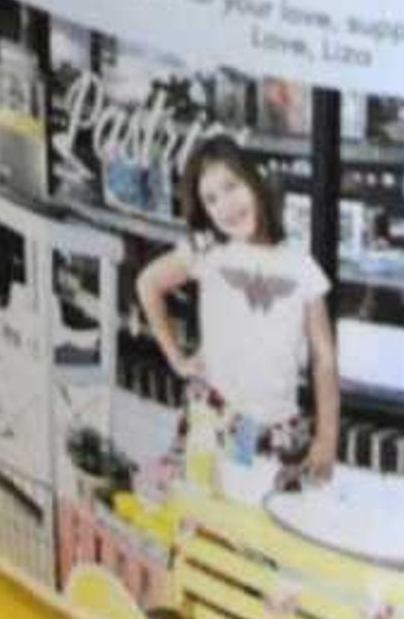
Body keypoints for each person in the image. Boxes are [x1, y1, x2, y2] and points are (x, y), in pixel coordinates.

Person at [136, 137, 340, 490]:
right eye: (211, 199)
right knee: (208, 513)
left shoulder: (301, 265)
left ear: (254, 181)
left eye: (231, 187)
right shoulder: (209, 251)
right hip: (217, 416)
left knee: (262, 524)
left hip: (276, 426)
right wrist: (177, 359)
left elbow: (325, 359)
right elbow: (148, 284)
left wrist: (328, 437)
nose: (226, 206)